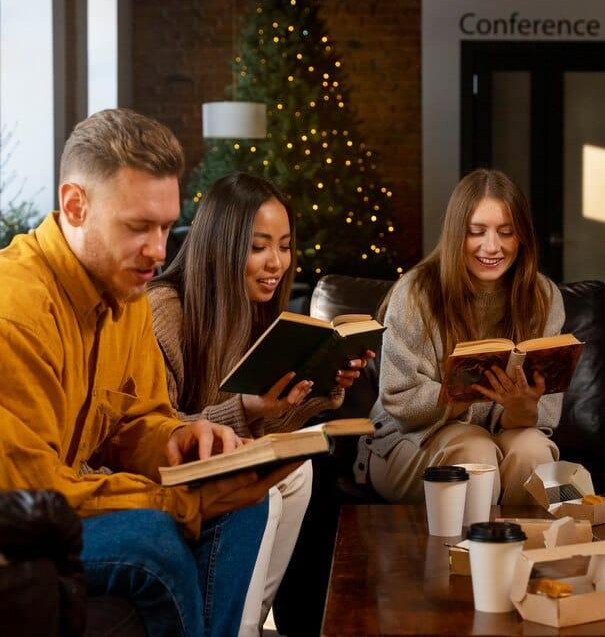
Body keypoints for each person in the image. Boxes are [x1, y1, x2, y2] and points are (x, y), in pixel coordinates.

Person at [0, 108, 296, 637]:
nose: (159, 252)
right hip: (17, 527)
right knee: (154, 537)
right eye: (139, 227)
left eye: (165, 226)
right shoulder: (15, 312)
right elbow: (34, 495)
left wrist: (183, 441)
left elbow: (136, 421)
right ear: (75, 206)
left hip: (55, 510)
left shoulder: (127, 294)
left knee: (242, 505)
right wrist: (180, 500)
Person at [146, 171, 372, 636]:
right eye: (259, 246)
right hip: (167, 471)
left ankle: (244, 625)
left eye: (285, 246)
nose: (277, 262)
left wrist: (322, 386)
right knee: (263, 491)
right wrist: (246, 411)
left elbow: (261, 423)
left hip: (220, 458)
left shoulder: (253, 309)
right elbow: (156, 430)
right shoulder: (164, 310)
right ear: (221, 245)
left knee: (299, 470)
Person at [356, 168, 564, 505]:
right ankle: (465, 542)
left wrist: (521, 407)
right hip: (405, 440)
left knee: (533, 451)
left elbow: (539, 417)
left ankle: (519, 541)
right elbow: (400, 403)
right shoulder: (415, 292)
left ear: (522, 237)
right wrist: (464, 394)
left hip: (498, 435)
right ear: (456, 234)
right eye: (476, 232)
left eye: (506, 232)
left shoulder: (544, 296)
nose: (492, 247)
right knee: (474, 450)